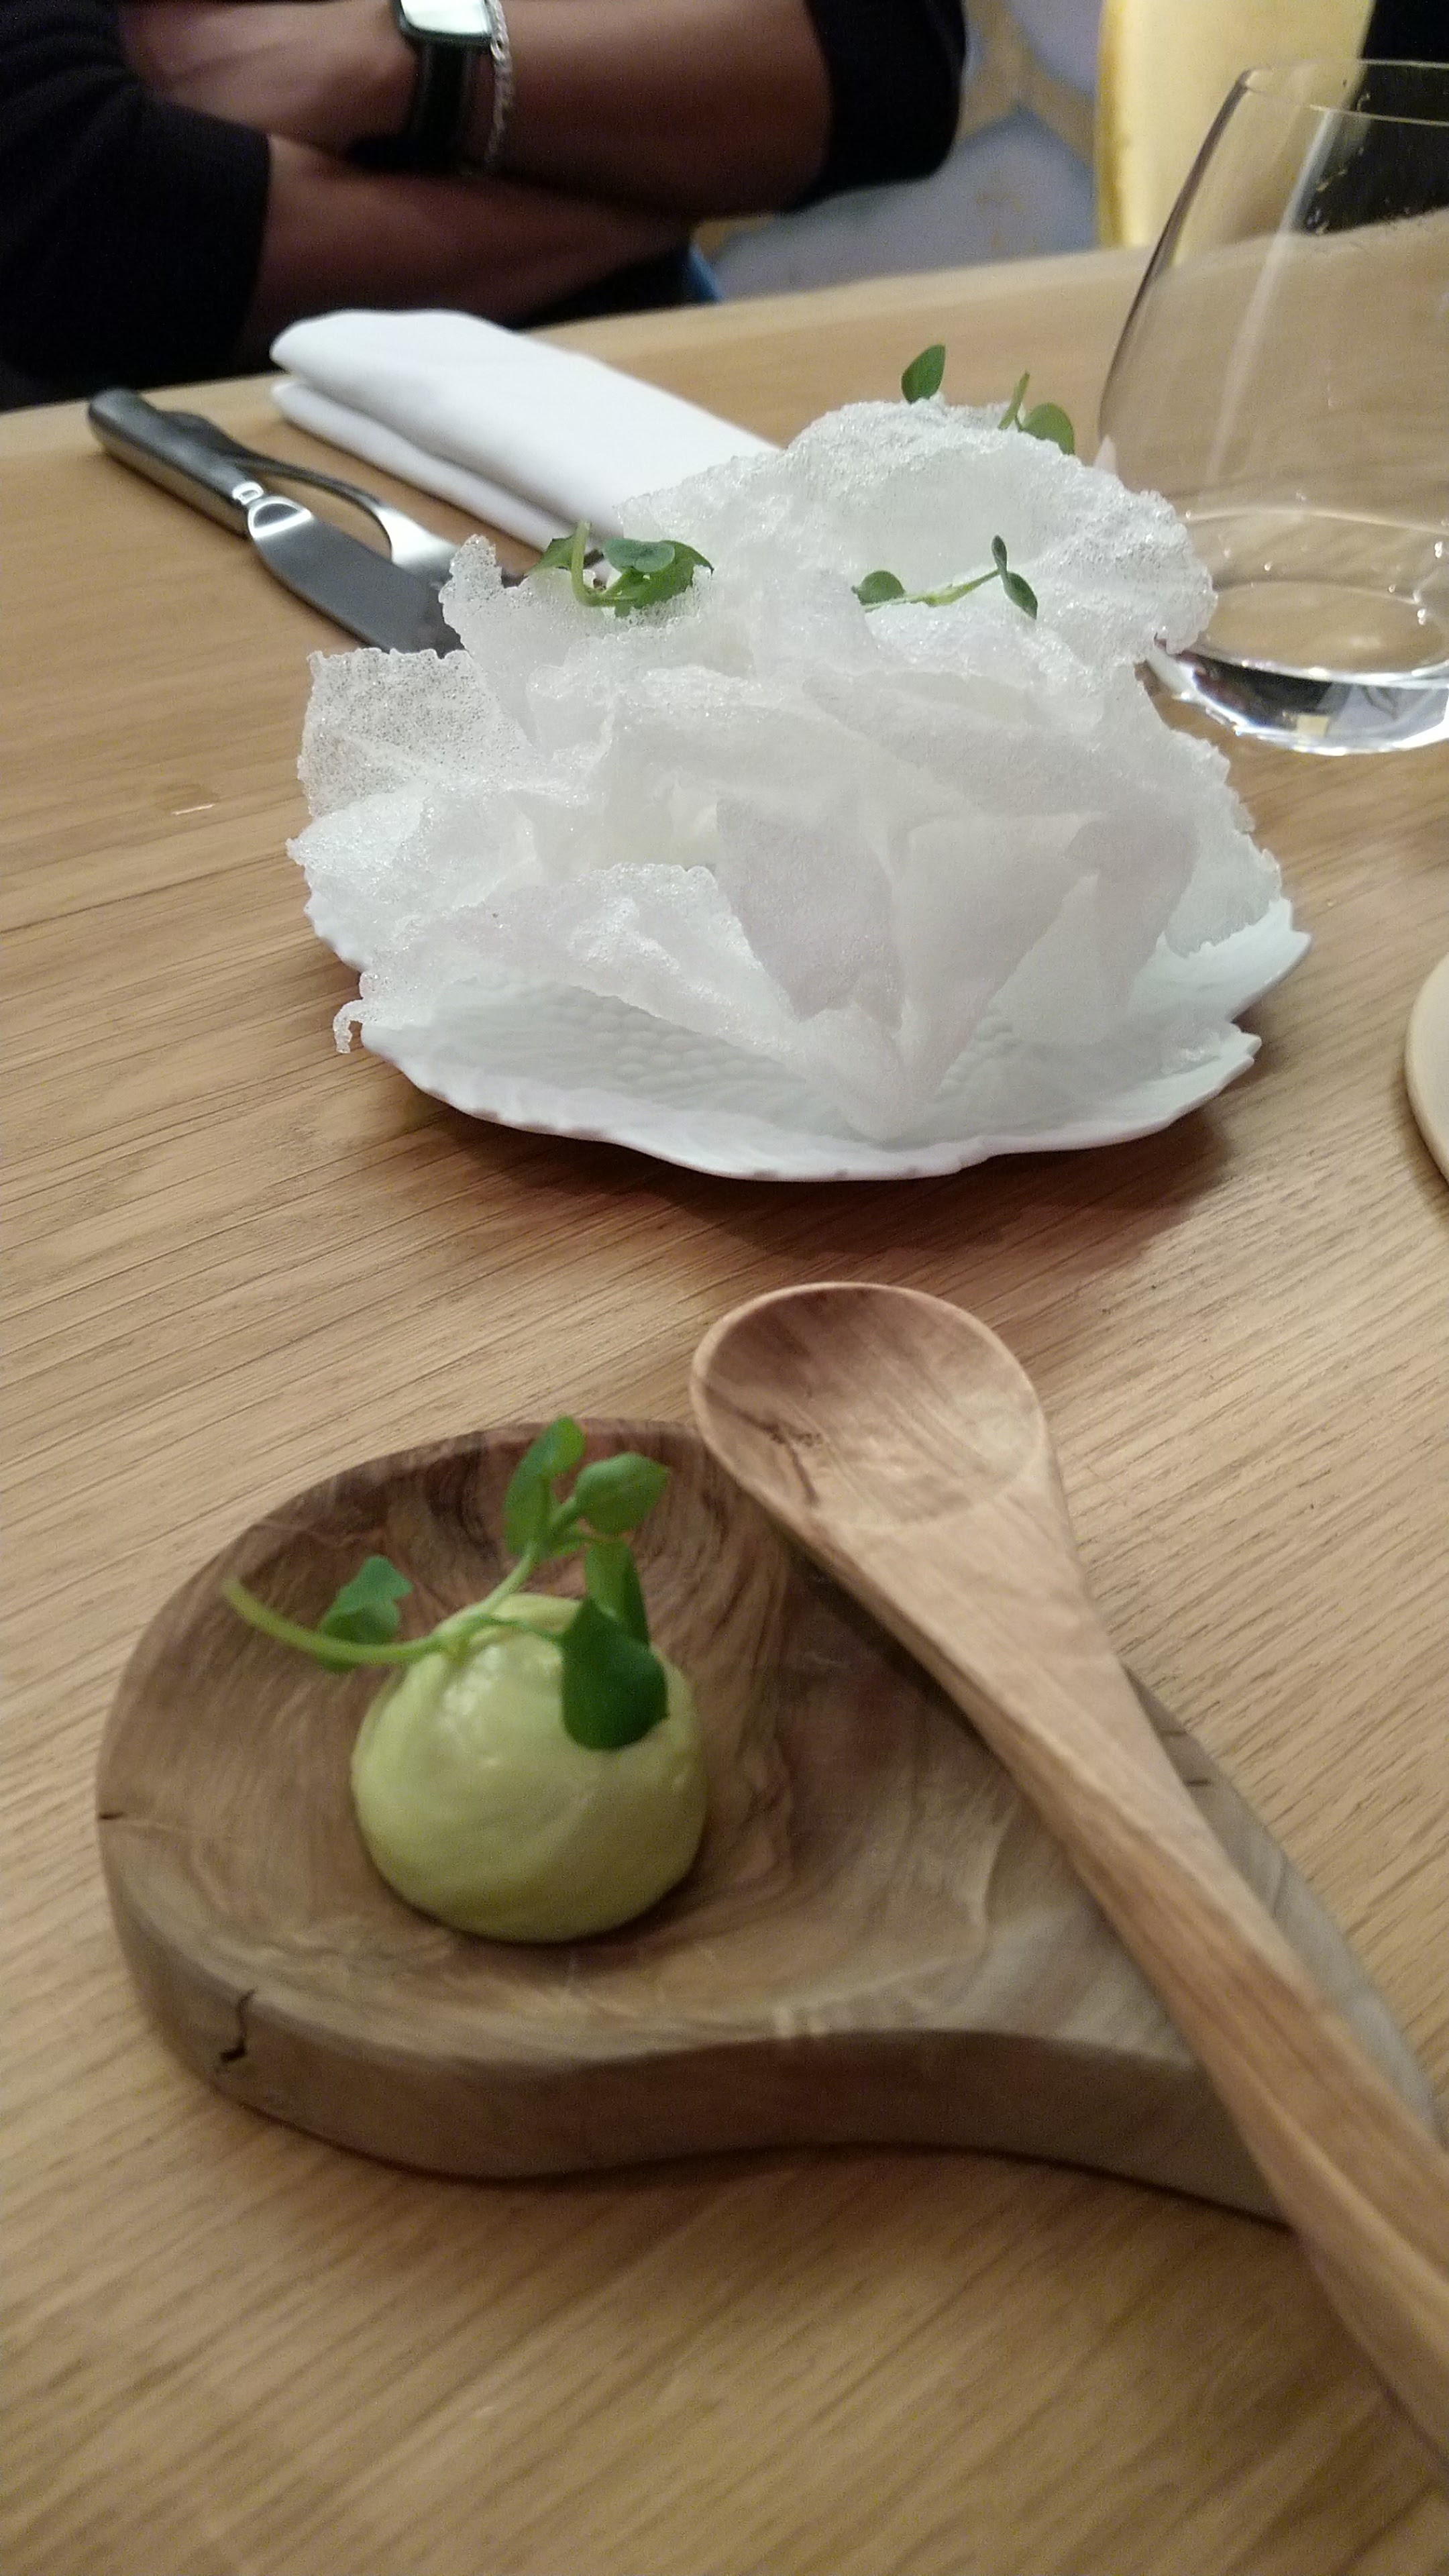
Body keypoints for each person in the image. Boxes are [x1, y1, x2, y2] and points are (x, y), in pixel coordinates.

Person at [0, 0, 965, 405]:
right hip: (155, 471)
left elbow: (883, 62)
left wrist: (390, 62)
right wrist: (637, 188)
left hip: (611, 417)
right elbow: (87, 201)